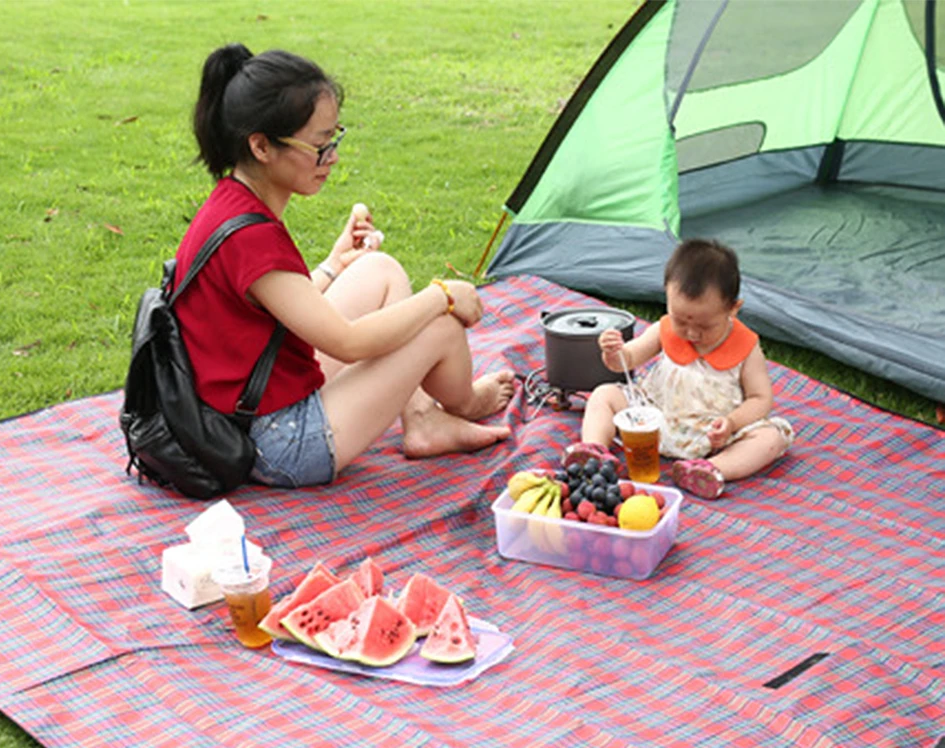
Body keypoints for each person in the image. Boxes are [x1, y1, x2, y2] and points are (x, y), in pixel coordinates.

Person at [174, 44, 515, 488]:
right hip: (276, 443)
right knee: (440, 326)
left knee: (382, 271)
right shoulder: (250, 237)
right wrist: (443, 295)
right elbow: (348, 343)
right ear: (261, 145)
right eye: (319, 145)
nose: (332, 156)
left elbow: (272, 309)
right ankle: (466, 403)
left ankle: (423, 421)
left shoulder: (232, 202)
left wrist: (335, 265)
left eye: (334, 138)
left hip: (249, 402)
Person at [580, 239, 793, 499]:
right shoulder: (665, 329)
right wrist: (613, 352)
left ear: (733, 309)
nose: (691, 333)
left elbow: (761, 398)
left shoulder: (746, 347)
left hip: (713, 434)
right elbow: (627, 360)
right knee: (604, 394)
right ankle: (593, 453)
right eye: (681, 321)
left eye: (705, 326)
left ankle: (709, 469)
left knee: (771, 437)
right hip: (653, 420)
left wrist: (731, 423)